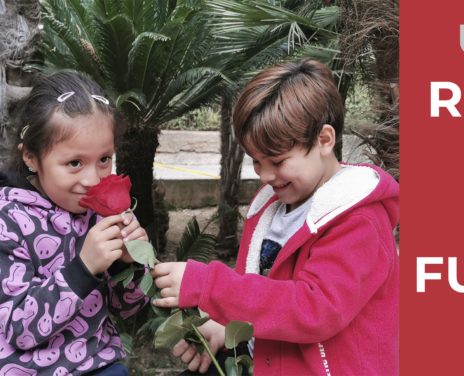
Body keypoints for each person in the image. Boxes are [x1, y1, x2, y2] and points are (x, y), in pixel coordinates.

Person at [151, 59, 400, 376]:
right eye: (256, 161)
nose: (265, 175)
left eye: (277, 161)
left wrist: (209, 286)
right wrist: (225, 330)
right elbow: (264, 298)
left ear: (324, 141)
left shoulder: (358, 221)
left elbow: (313, 310)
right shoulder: (272, 208)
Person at [0, 72, 149, 376]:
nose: (92, 180)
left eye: (104, 159)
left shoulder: (107, 213)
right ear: (32, 158)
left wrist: (128, 264)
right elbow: (20, 329)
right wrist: (84, 268)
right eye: (74, 163)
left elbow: (128, 309)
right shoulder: (8, 222)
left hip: (94, 364)